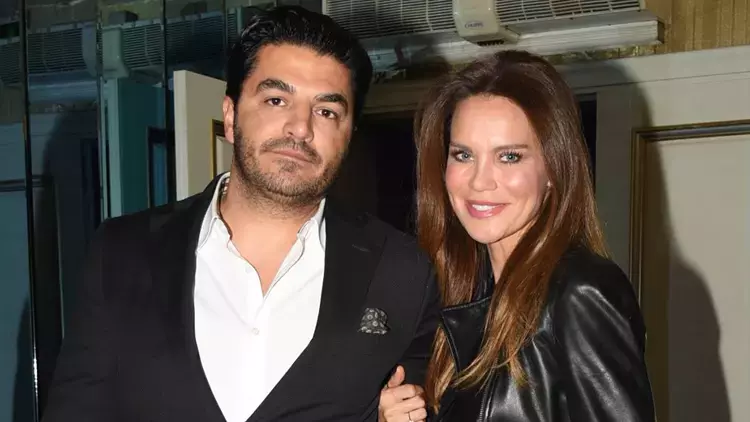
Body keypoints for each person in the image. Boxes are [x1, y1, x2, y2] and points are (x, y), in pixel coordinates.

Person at [42, 6, 439, 422]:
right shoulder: (122, 253)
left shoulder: (402, 271)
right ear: (230, 117)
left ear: (348, 135)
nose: (300, 128)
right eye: (276, 100)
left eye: (326, 111)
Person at [379, 50, 655, 421]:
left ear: (554, 168)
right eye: (463, 155)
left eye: (509, 156)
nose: (480, 181)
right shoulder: (466, 297)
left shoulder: (580, 291)